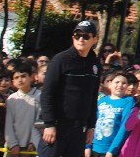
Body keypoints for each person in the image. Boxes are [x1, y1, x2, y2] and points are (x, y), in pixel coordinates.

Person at [38, 20, 102, 157]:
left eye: (86, 36)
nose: (81, 39)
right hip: (57, 125)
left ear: (94, 39)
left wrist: (91, 126)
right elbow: (47, 94)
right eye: (77, 35)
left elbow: (92, 97)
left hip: (79, 129)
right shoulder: (60, 60)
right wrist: (49, 124)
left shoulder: (95, 64)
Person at [92, 72, 136, 157]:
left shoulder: (128, 101)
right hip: (94, 147)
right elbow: (93, 123)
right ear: (110, 84)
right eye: (117, 82)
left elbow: (123, 127)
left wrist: (112, 150)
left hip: (110, 150)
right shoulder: (102, 101)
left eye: (124, 83)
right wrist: (88, 146)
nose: (120, 85)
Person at [5, 65, 41, 157]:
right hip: (14, 147)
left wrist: (33, 142)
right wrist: (13, 144)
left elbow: (39, 122)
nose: (20, 80)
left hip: (32, 146)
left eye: (23, 76)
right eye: (16, 77)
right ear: (13, 82)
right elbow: (8, 124)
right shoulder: (11, 99)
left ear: (31, 77)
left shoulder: (39, 96)